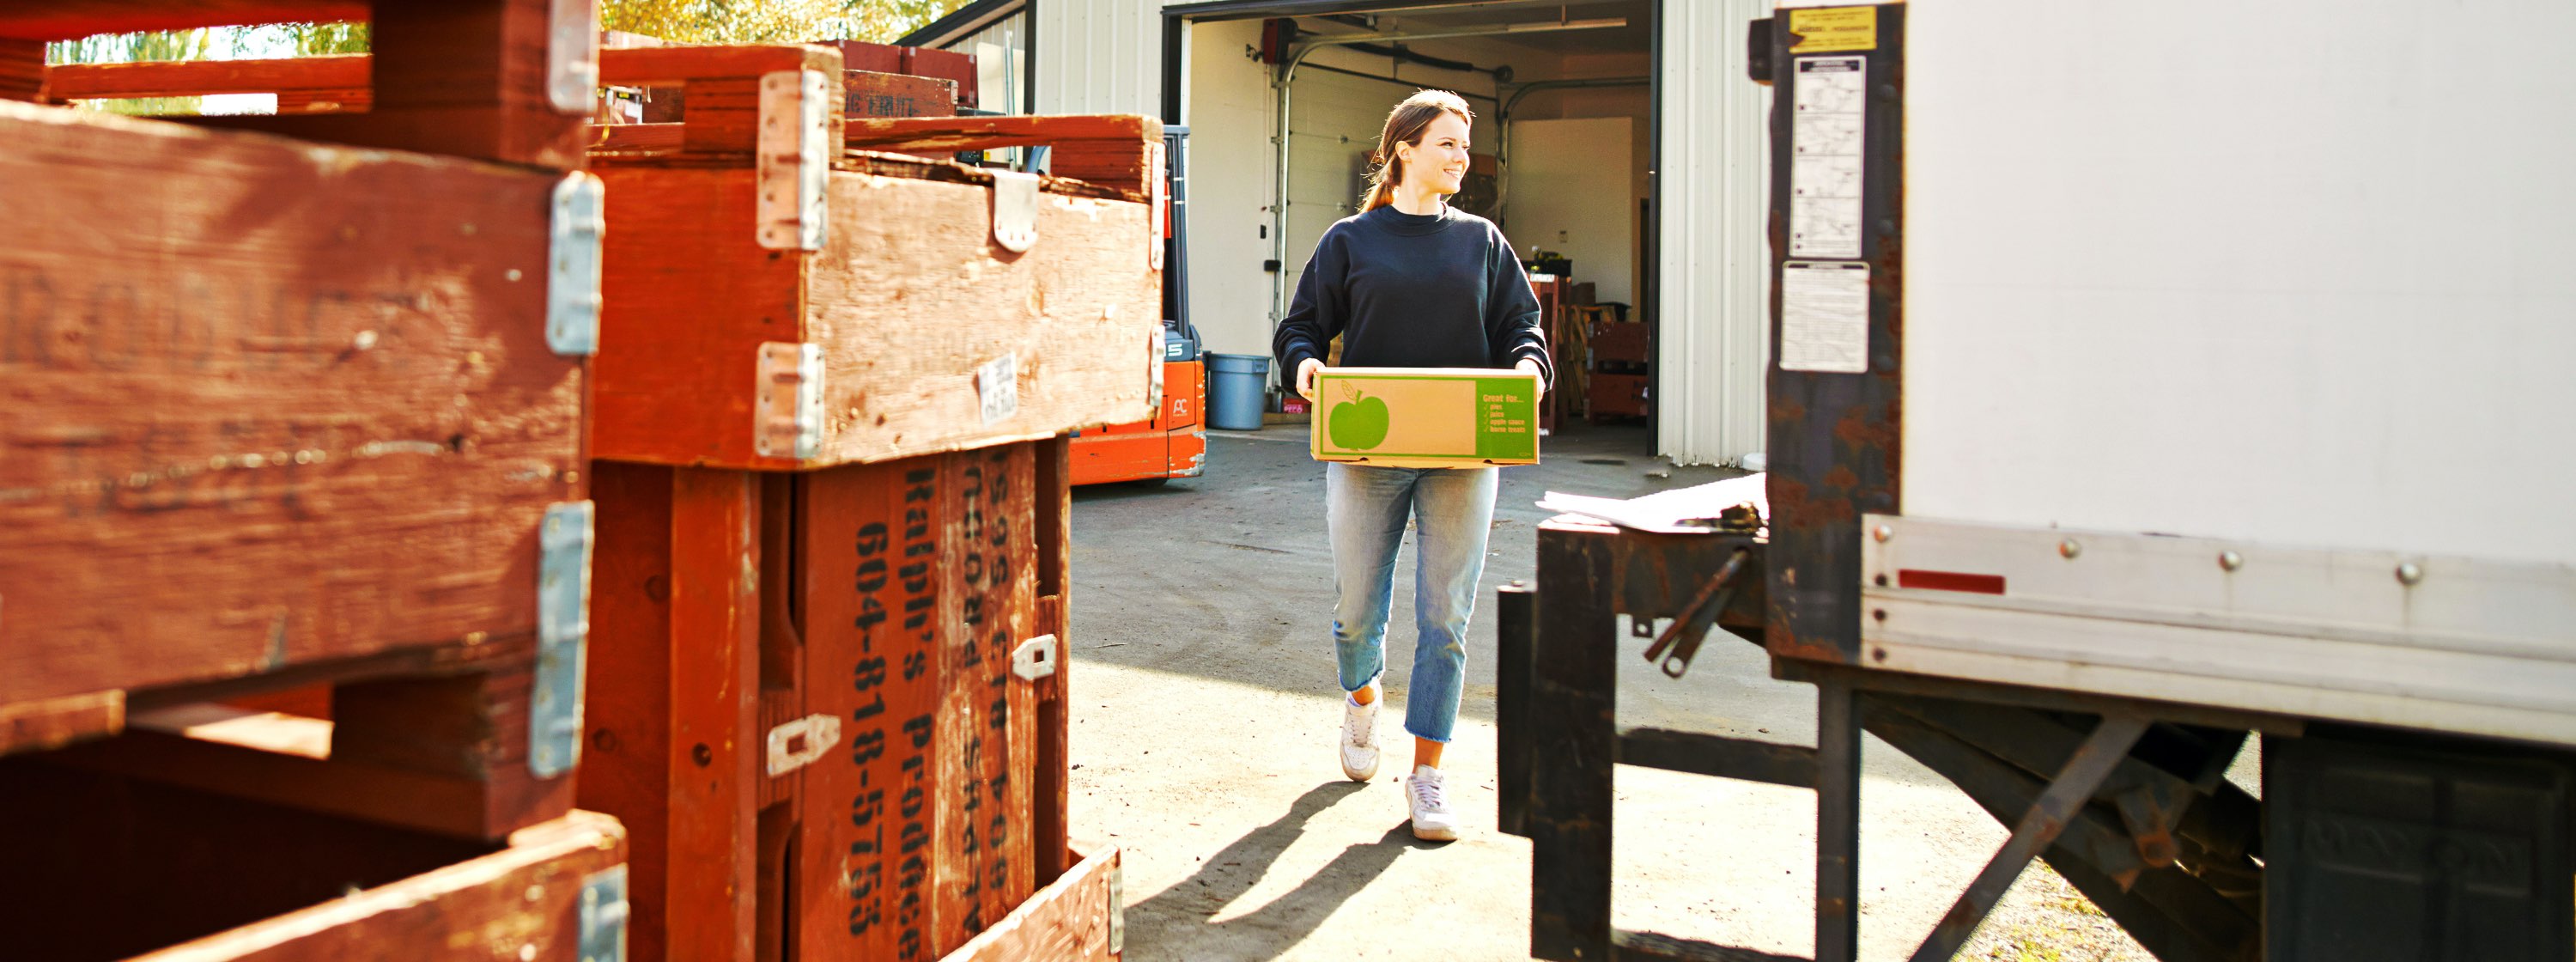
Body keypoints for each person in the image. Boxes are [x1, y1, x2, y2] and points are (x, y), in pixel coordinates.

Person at [1272, 89, 1550, 842]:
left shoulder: (1483, 243)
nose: (1463, 158)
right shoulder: (1350, 242)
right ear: (1403, 149)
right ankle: (1363, 699)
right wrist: (1303, 370)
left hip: (1462, 456)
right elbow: (1299, 329)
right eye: (1449, 144)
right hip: (1369, 452)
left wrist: (1529, 369)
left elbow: (1523, 328)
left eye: (1466, 145)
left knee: (1446, 621)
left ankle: (1427, 774)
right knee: (1359, 609)